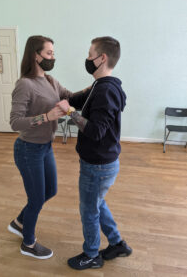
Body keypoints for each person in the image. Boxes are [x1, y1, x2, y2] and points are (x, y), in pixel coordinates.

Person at [8, 35, 88, 260]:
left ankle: (19, 222)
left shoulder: (51, 81)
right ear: (36, 55)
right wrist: (45, 116)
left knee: (50, 190)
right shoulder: (24, 84)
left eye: (53, 53)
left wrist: (93, 87)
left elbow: (70, 97)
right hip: (27, 149)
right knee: (36, 199)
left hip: (45, 147)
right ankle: (28, 243)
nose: (53, 57)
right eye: (49, 53)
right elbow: (15, 122)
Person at [57, 36, 132, 270]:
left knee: (89, 210)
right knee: (97, 203)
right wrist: (61, 96)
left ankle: (91, 255)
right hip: (101, 162)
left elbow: (96, 131)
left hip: (97, 164)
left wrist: (69, 112)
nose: (87, 59)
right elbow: (80, 99)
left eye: (90, 55)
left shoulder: (105, 91)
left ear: (102, 58)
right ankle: (117, 243)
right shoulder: (101, 87)